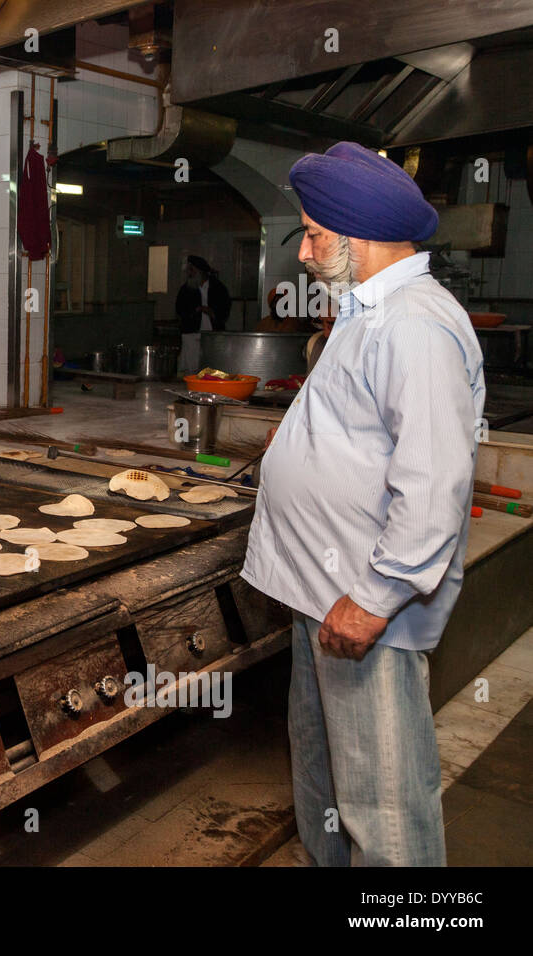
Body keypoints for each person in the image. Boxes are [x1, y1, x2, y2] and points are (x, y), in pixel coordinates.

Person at [242, 142, 486, 867]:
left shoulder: (414, 324)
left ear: (361, 238)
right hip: (325, 589)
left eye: (316, 234)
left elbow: (433, 481)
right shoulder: (367, 312)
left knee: (383, 806)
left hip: (362, 601)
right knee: (325, 783)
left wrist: (376, 597)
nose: (307, 251)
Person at [174, 255, 230, 371]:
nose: (189, 273)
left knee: (212, 364)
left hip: (212, 333)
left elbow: (225, 308)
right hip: (191, 332)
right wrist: (195, 311)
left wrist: (211, 312)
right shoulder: (185, 290)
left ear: (200, 272)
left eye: (192, 270)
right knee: (191, 366)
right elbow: (180, 310)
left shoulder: (218, 288)